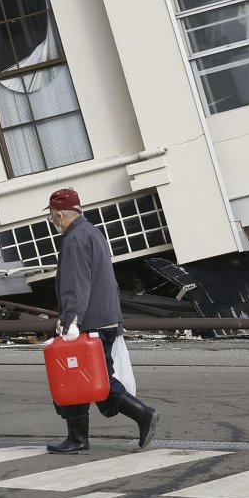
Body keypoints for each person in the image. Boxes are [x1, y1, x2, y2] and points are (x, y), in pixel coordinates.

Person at [45, 187, 160, 455]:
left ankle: (142, 415)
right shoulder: (93, 232)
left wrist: (71, 321)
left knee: (89, 380)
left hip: (88, 322)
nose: (52, 222)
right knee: (84, 378)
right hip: (104, 317)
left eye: (51, 217)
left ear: (59, 215)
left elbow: (76, 285)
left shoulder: (73, 240)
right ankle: (77, 438)